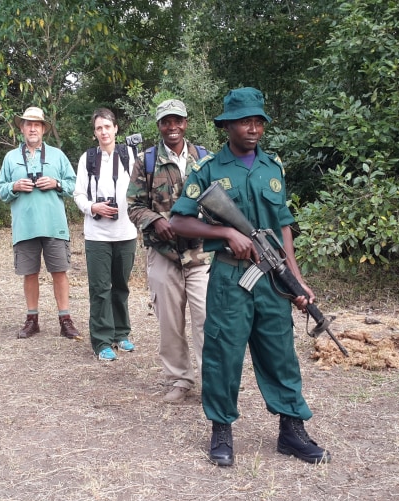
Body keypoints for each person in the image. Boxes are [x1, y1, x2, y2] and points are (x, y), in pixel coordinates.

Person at [169, 87, 330, 466]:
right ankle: (221, 431)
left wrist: (297, 278)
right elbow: (178, 220)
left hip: (272, 279)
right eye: (245, 121)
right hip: (230, 277)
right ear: (227, 126)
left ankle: (292, 431)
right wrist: (226, 233)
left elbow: (283, 227)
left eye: (258, 121)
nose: (253, 128)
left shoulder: (273, 167)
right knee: (223, 355)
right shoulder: (208, 170)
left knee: (280, 354)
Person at [126, 99, 211, 402]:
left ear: (186, 123)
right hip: (163, 254)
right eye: (166, 122)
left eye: (178, 121)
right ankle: (179, 380)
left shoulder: (204, 159)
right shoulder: (146, 161)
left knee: (207, 319)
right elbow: (133, 206)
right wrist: (155, 221)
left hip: (201, 255)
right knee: (170, 322)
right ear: (159, 125)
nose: (172, 127)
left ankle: (211, 381)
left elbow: (220, 201)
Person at [0, 106, 81, 340]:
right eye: (28, 124)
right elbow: (1, 189)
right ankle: (32, 320)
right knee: (29, 273)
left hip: (54, 224)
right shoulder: (11, 158)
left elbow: (74, 185)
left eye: (37, 124)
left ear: (44, 129)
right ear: (21, 128)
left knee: (59, 272)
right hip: (25, 226)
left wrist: (56, 183)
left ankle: (65, 320)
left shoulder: (57, 155)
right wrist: (14, 186)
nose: (32, 128)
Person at [73, 108, 138, 361]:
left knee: (121, 287)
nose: (104, 132)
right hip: (97, 234)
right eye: (99, 128)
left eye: (107, 127)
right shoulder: (87, 159)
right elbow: (78, 194)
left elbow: (142, 186)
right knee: (100, 288)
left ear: (116, 129)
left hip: (126, 231)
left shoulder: (131, 155)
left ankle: (121, 333)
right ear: (95, 133)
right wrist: (93, 207)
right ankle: (101, 341)